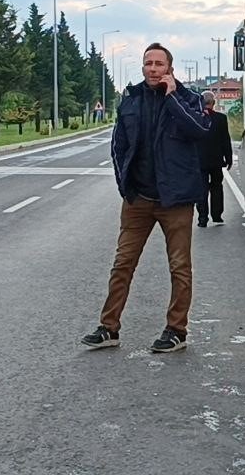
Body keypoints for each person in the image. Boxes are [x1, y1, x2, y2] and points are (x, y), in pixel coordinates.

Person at [82, 42, 210, 354]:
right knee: (122, 263)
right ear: (143, 67)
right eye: (148, 63)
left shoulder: (189, 99)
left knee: (180, 267)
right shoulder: (132, 99)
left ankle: (176, 329)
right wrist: (124, 186)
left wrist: (172, 98)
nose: (152, 69)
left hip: (175, 200)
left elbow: (198, 132)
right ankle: (108, 327)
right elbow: (119, 145)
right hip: (138, 198)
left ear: (169, 69)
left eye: (158, 64)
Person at [195, 92, 233, 227]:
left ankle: (202, 218)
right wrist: (229, 158)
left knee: (202, 189)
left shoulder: (195, 118)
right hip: (216, 160)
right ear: (213, 103)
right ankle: (217, 215)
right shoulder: (221, 118)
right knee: (217, 186)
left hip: (199, 161)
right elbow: (225, 140)